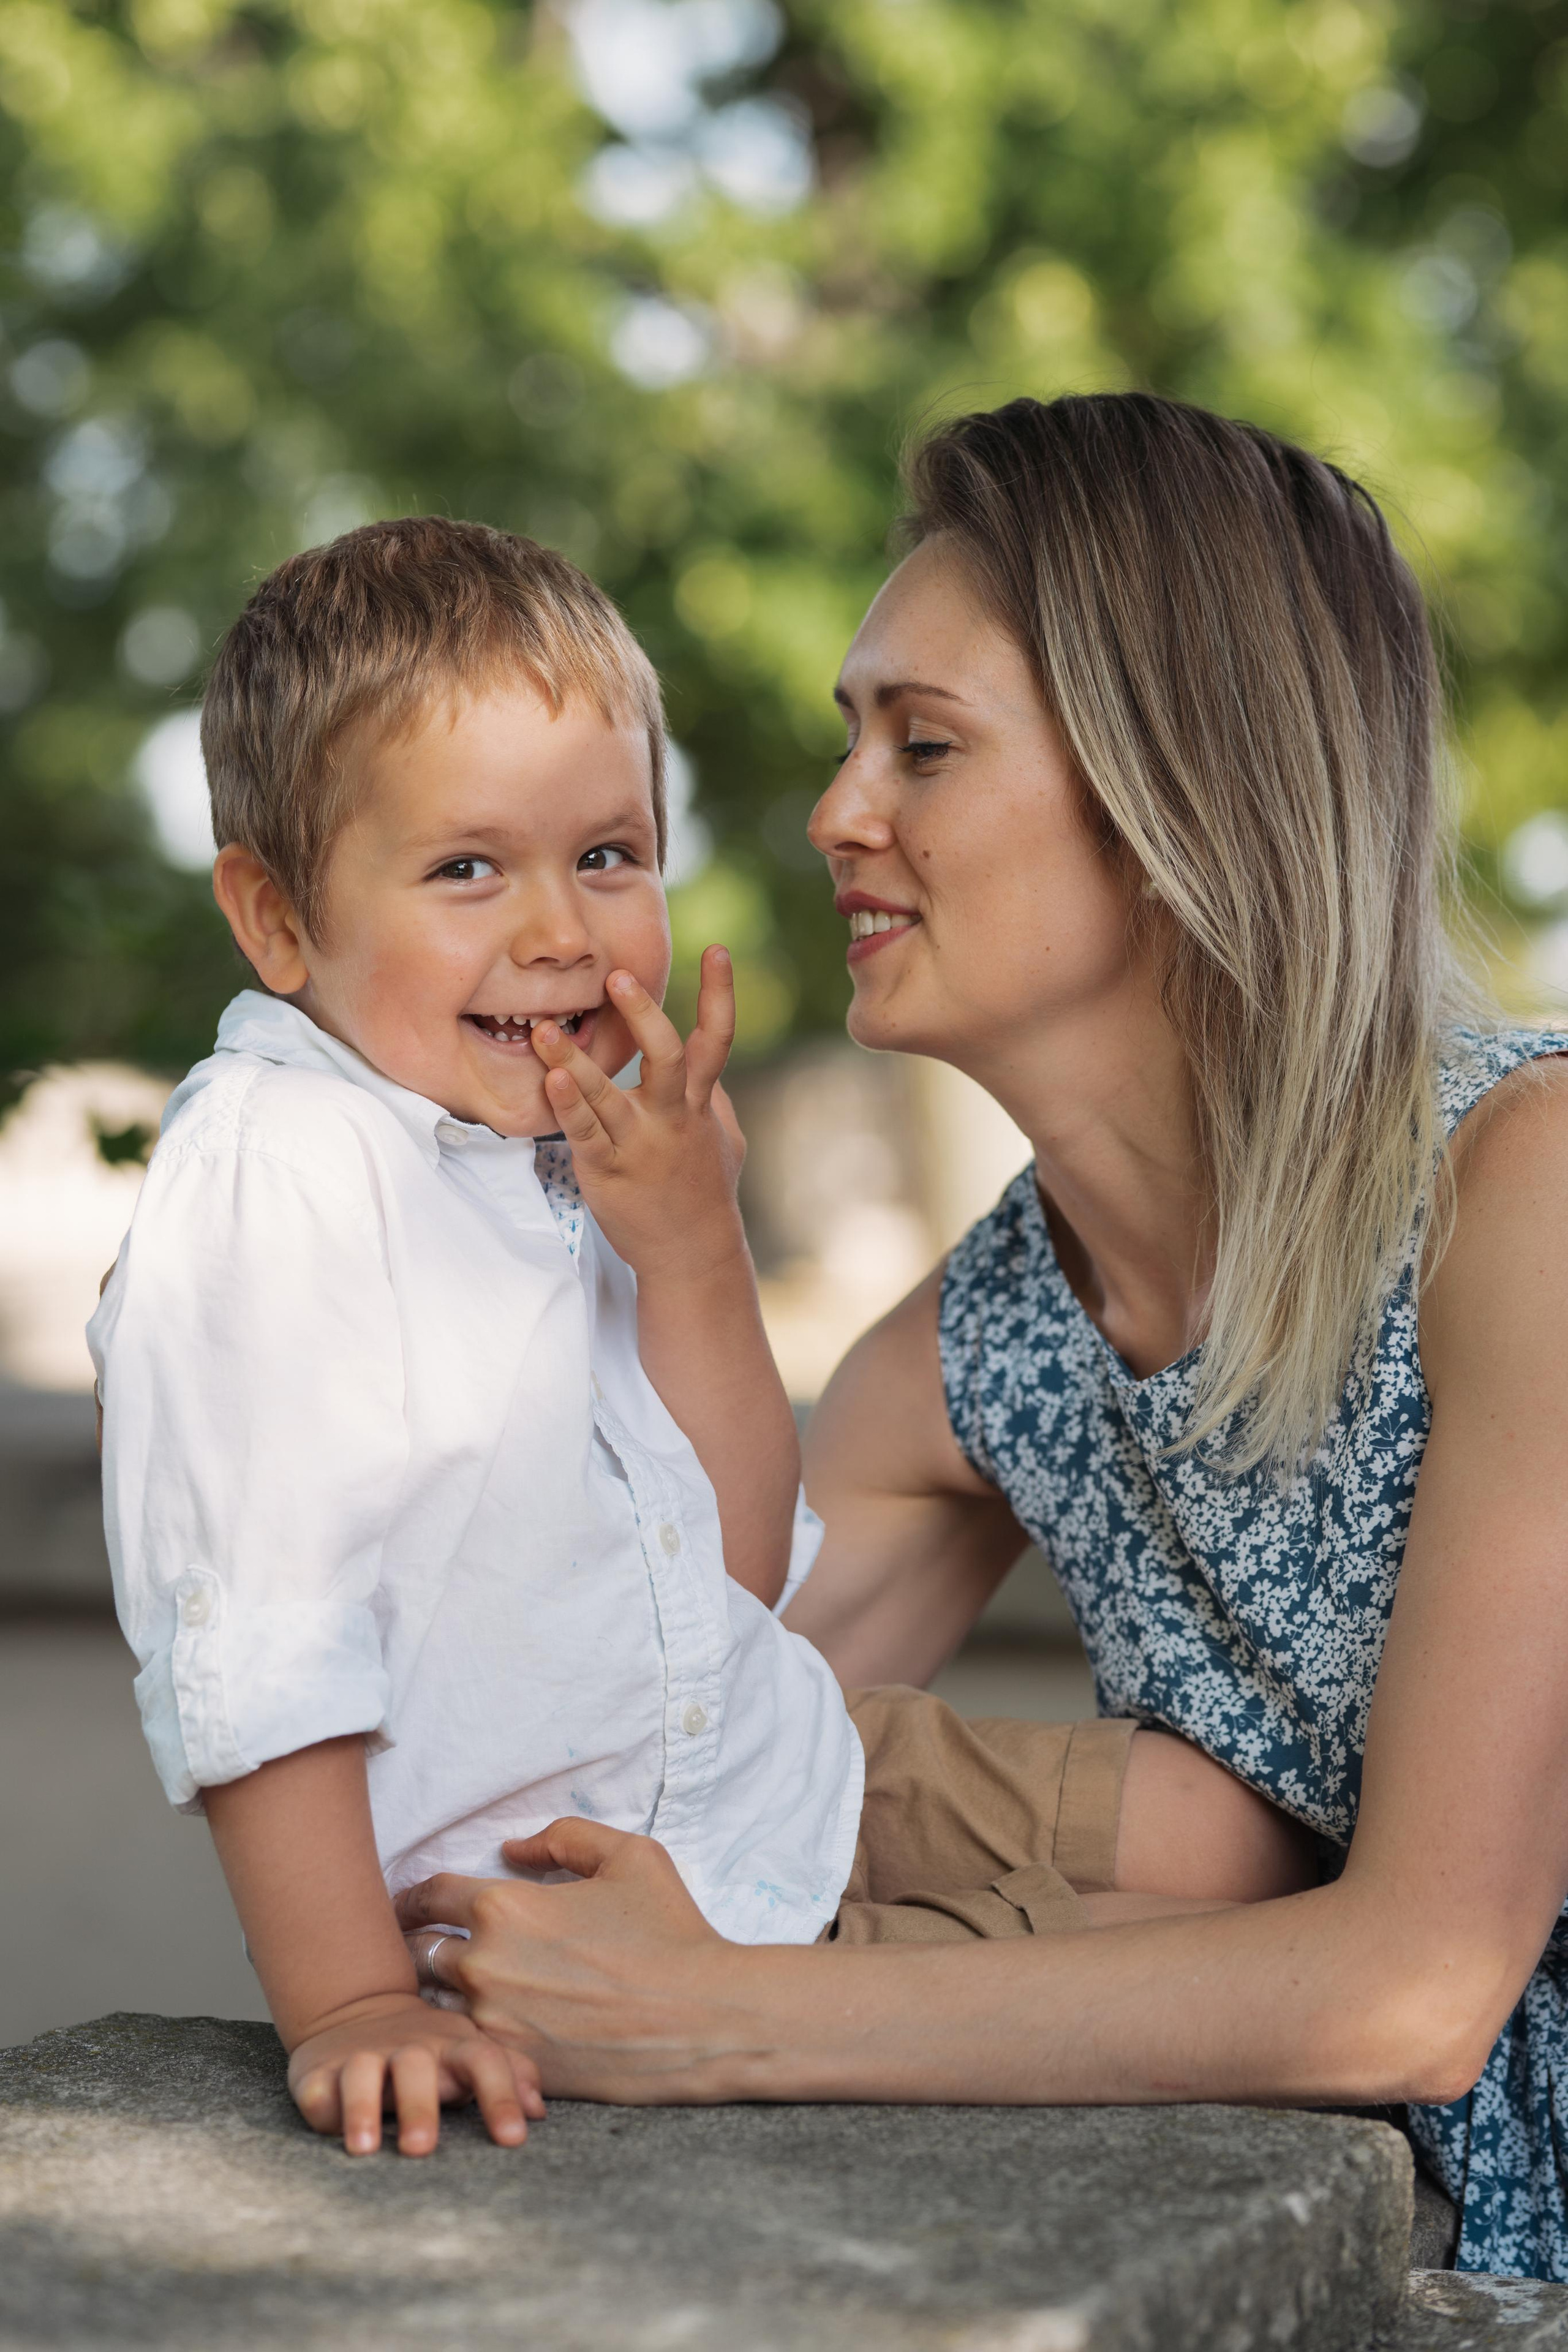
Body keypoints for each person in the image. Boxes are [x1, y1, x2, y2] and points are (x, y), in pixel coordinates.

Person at [393, 400, 1568, 2283]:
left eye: (923, 746)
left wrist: (727, 2016)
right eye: (854, 739)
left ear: (1187, 790)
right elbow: (612, 1787)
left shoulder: (1530, 1194)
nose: (836, 812)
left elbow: (1417, 1981)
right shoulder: (982, 1353)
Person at [90, 515, 1300, 2162]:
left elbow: (731, 1571)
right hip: (602, 1904)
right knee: (1214, 1995)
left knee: (1239, 1837)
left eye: (607, 855)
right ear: (279, 919)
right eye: (467, 869)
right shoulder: (279, 1178)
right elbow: (260, 1648)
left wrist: (692, 1251)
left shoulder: (561, 1152)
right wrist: (350, 2003)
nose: (561, 934)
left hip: (777, 1759)